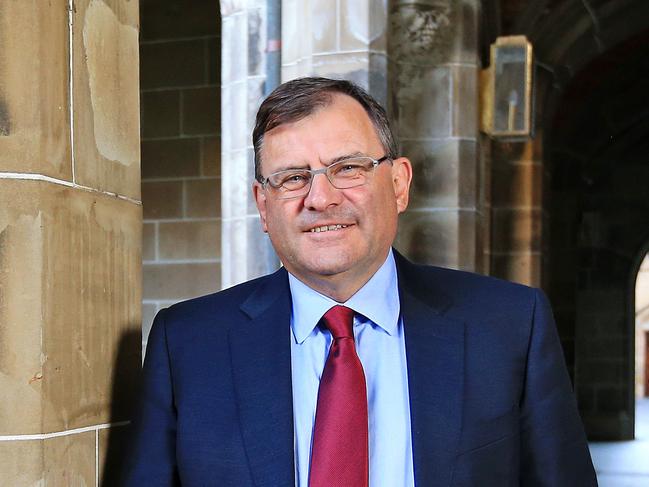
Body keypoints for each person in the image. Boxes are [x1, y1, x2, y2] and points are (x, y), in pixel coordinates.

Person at [123, 77, 597, 486]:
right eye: (291, 178)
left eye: (347, 168)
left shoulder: (510, 325)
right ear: (263, 207)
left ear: (398, 184)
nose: (321, 198)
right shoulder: (187, 342)